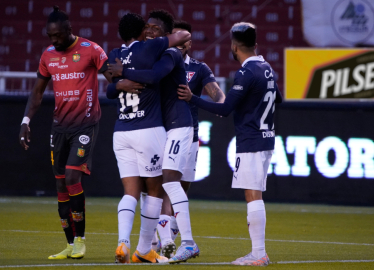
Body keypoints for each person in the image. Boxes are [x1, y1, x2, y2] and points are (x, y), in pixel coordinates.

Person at [177, 22, 282, 266]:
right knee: (255, 193)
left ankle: (259, 253)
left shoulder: (246, 72)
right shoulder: (266, 67)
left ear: (234, 46)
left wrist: (193, 98)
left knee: (253, 195)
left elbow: (224, 109)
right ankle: (258, 252)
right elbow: (278, 97)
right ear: (255, 44)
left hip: (251, 139)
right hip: (266, 137)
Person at [18, 6, 111, 260]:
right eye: (50, 36)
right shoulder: (48, 55)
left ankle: (81, 240)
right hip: (59, 127)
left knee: (72, 178)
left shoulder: (91, 49)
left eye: (58, 35)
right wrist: (26, 120)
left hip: (86, 124)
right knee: (60, 183)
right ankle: (69, 244)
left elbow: (110, 74)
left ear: (69, 31)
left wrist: (125, 80)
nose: (54, 40)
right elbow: (37, 92)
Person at [109, 9, 200, 264]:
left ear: (167, 34)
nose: (150, 31)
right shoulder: (147, 51)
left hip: (173, 126)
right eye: (147, 27)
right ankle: (146, 246)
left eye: (155, 29)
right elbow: (109, 86)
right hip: (154, 128)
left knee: (162, 185)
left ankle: (174, 242)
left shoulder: (167, 52)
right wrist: (118, 82)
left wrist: (121, 77)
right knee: (155, 189)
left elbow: (152, 76)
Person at [154, 19, 225, 253]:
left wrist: (194, 97)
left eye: (182, 38)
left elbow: (220, 99)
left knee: (180, 190)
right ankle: (163, 241)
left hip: (190, 135)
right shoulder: (162, 64)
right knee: (166, 186)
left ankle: (164, 237)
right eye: (173, 37)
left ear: (189, 42)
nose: (178, 42)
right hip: (162, 132)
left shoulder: (199, 68)